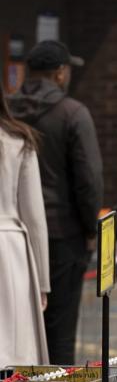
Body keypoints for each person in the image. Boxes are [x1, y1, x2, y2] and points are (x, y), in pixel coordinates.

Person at [9, 40, 102, 365]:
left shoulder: (8, 113)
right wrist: (92, 227)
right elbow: (88, 178)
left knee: (12, 329)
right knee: (60, 331)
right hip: (63, 234)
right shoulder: (72, 113)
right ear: (60, 73)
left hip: (14, 240)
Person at [0, 91, 49, 365]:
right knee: (13, 346)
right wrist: (42, 281)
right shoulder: (19, 141)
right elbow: (34, 216)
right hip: (11, 252)